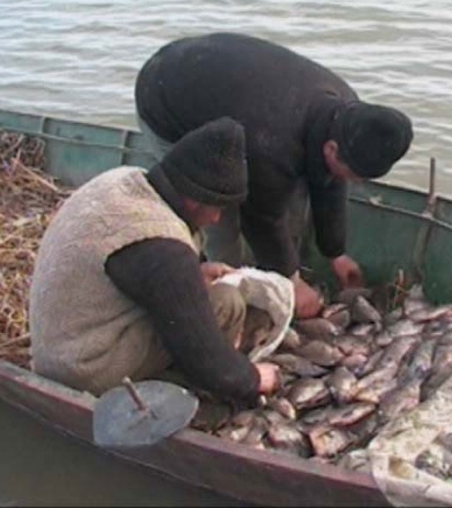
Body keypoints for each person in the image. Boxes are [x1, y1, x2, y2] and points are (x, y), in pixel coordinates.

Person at [134, 32, 414, 319]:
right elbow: (261, 218)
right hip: (165, 95)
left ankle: (269, 276)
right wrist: (290, 280)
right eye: (354, 175)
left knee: (284, 194)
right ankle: (227, 292)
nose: (355, 183)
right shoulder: (270, 145)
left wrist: (335, 253)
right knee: (217, 212)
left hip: (235, 86)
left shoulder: (348, 111)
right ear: (331, 149)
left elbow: (329, 180)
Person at [29, 117, 281, 407]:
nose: (217, 219)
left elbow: (139, 269)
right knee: (226, 302)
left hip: (60, 348)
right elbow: (207, 361)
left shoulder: (127, 180)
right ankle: (179, 395)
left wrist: (196, 270)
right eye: (218, 208)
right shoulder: (165, 250)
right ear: (194, 201)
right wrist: (253, 378)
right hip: (83, 370)